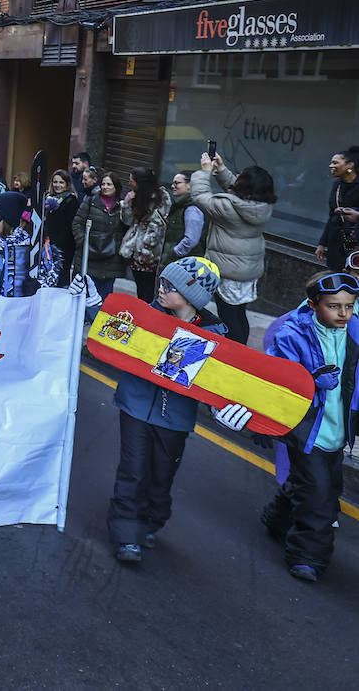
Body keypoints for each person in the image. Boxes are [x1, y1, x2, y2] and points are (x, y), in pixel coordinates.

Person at [106, 257, 242, 564]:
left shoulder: (215, 333)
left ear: (192, 295)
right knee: (133, 469)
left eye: (172, 286)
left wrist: (222, 407)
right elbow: (113, 332)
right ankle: (127, 533)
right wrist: (90, 305)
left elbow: (215, 382)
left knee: (161, 474)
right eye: (163, 282)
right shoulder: (147, 315)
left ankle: (151, 519)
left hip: (176, 418)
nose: (162, 288)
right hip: (135, 406)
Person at [260, 270, 359, 582]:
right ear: (313, 304)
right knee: (320, 499)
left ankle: (277, 521)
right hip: (306, 429)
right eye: (334, 306)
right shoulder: (291, 334)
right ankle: (307, 557)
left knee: (322, 485)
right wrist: (311, 382)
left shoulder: (354, 332)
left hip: (337, 431)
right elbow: (278, 379)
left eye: (349, 306)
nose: (343, 313)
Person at [192, 154, 275, 345]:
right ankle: (241, 350)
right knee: (239, 314)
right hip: (247, 270)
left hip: (228, 271)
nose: (236, 175)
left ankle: (233, 356)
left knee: (228, 318)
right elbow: (238, 196)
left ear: (244, 185)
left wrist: (204, 172)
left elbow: (200, 196)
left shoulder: (228, 208)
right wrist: (221, 169)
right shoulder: (261, 205)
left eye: (241, 175)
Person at [73, 171, 127, 315]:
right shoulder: (90, 202)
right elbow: (78, 223)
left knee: (105, 294)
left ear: (116, 186)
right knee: (85, 291)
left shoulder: (123, 206)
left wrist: (118, 245)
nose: (105, 187)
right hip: (89, 255)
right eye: (103, 184)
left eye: (109, 184)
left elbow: (127, 228)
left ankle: (99, 323)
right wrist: (83, 242)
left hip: (110, 258)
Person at [121, 167, 170, 302]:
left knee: (148, 291)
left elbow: (158, 228)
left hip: (149, 254)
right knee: (140, 290)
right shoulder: (136, 196)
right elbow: (128, 221)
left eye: (132, 181)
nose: (130, 183)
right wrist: (126, 203)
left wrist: (145, 249)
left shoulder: (160, 198)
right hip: (135, 252)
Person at [316, 147, 359, 271]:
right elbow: (332, 216)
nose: (331, 166)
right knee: (335, 275)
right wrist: (322, 243)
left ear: (350, 165)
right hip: (336, 241)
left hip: (354, 240)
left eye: (335, 163)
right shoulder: (337, 185)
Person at [160, 171, 205, 272]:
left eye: (177, 183)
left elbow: (191, 239)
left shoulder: (192, 208)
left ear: (189, 185)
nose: (172, 186)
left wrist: (175, 252)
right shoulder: (180, 205)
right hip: (174, 262)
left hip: (182, 265)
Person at [43, 169, 80, 285]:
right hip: (48, 242)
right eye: (55, 182)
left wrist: (57, 243)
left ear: (67, 184)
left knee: (61, 274)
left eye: (61, 182)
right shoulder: (48, 199)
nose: (57, 185)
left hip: (63, 246)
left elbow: (70, 225)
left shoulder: (71, 200)